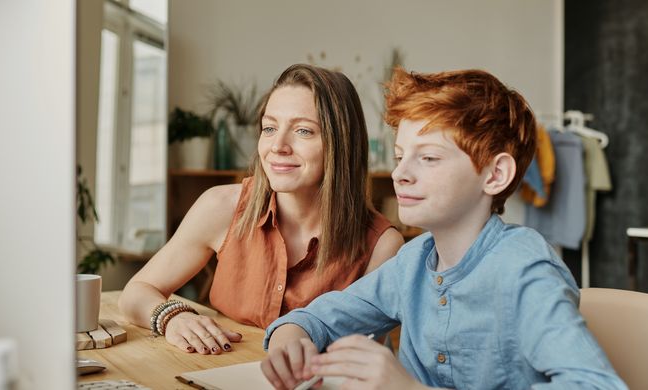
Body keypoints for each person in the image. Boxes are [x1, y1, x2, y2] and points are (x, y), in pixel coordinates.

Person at [262, 68, 628, 389]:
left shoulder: (525, 269)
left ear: (495, 174)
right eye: (401, 156)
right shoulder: (413, 261)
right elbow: (322, 316)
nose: (400, 174)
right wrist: (290, 338)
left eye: (429, 158)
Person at [118, 64, 404, 356]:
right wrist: (173, 317)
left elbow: (359, 359)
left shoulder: (381, 245)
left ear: (341, 143)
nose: (277, 146)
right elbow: (136, 292)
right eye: (269, 128)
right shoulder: (220, 207)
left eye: (303, 131)